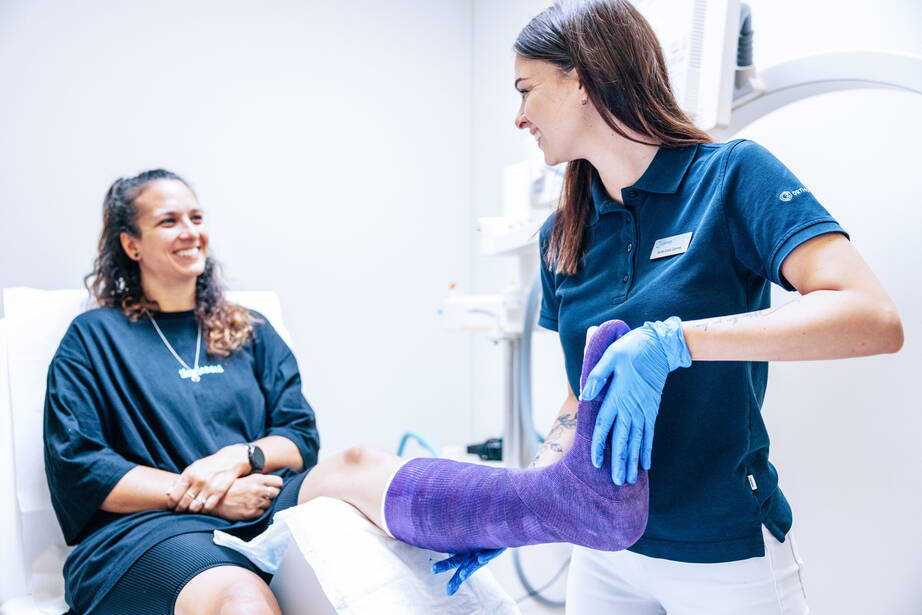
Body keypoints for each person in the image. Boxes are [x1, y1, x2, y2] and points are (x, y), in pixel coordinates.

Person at [289, 1, 903, 612]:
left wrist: (674, 342)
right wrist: (524, 507)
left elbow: (871, 318)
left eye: (525, 90)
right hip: (607, 552)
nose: (518, 116)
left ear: (580, 79)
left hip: (723, 549)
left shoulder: (731, 177)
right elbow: (579, 397)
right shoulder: (563, 234)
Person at [44, 169, 320, 615]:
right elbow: (80, 466)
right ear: (131, 245)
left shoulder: (251, 329)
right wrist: (209, 495)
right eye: (169, 221)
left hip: (264, 505)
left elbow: (300, 438)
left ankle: (473, 514)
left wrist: (236, 458)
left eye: (196, 217)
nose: (191, 232)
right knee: (242, 600)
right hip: (151, 530)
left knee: (359, 465)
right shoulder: (94, 338)